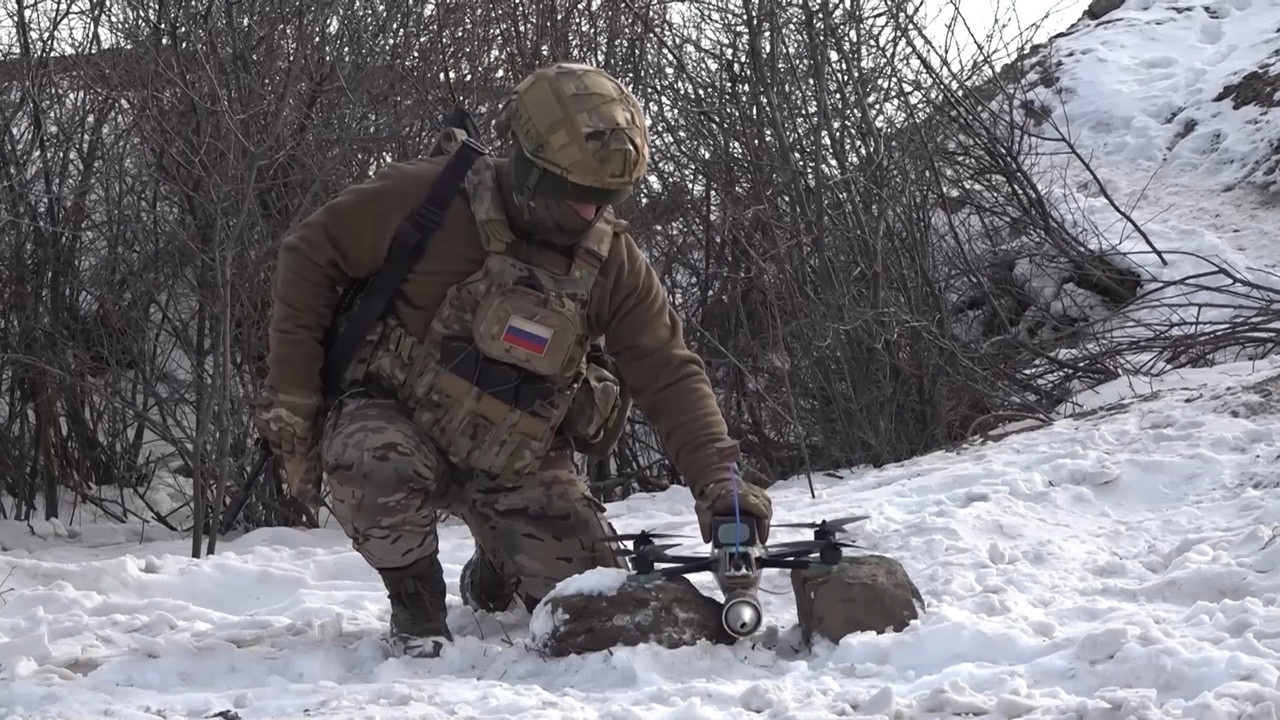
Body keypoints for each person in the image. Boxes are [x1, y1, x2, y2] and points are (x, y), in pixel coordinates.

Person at [253, 62, 774, 658]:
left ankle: (494, 568)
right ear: (529, 166)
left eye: (605, 201)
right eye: (576, 196)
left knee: (594, 610)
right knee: (372, 461)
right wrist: (293, 396)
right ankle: (416, 604)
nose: (589, 215)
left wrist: (721, 487)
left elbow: (669, 371)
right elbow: (309, 254)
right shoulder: (427, 198)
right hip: (399, 423)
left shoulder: (614, 264)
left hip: (517, 458)